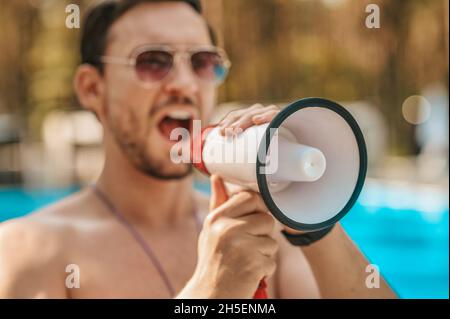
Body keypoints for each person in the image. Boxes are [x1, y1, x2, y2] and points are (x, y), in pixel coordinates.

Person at [0, 0, 396, 298]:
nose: (186, 84)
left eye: (203, 62)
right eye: (153, 62)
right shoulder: (31, 250)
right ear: (92, 88)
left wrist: (311, 218)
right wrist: (208, 294)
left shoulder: (267, 240)